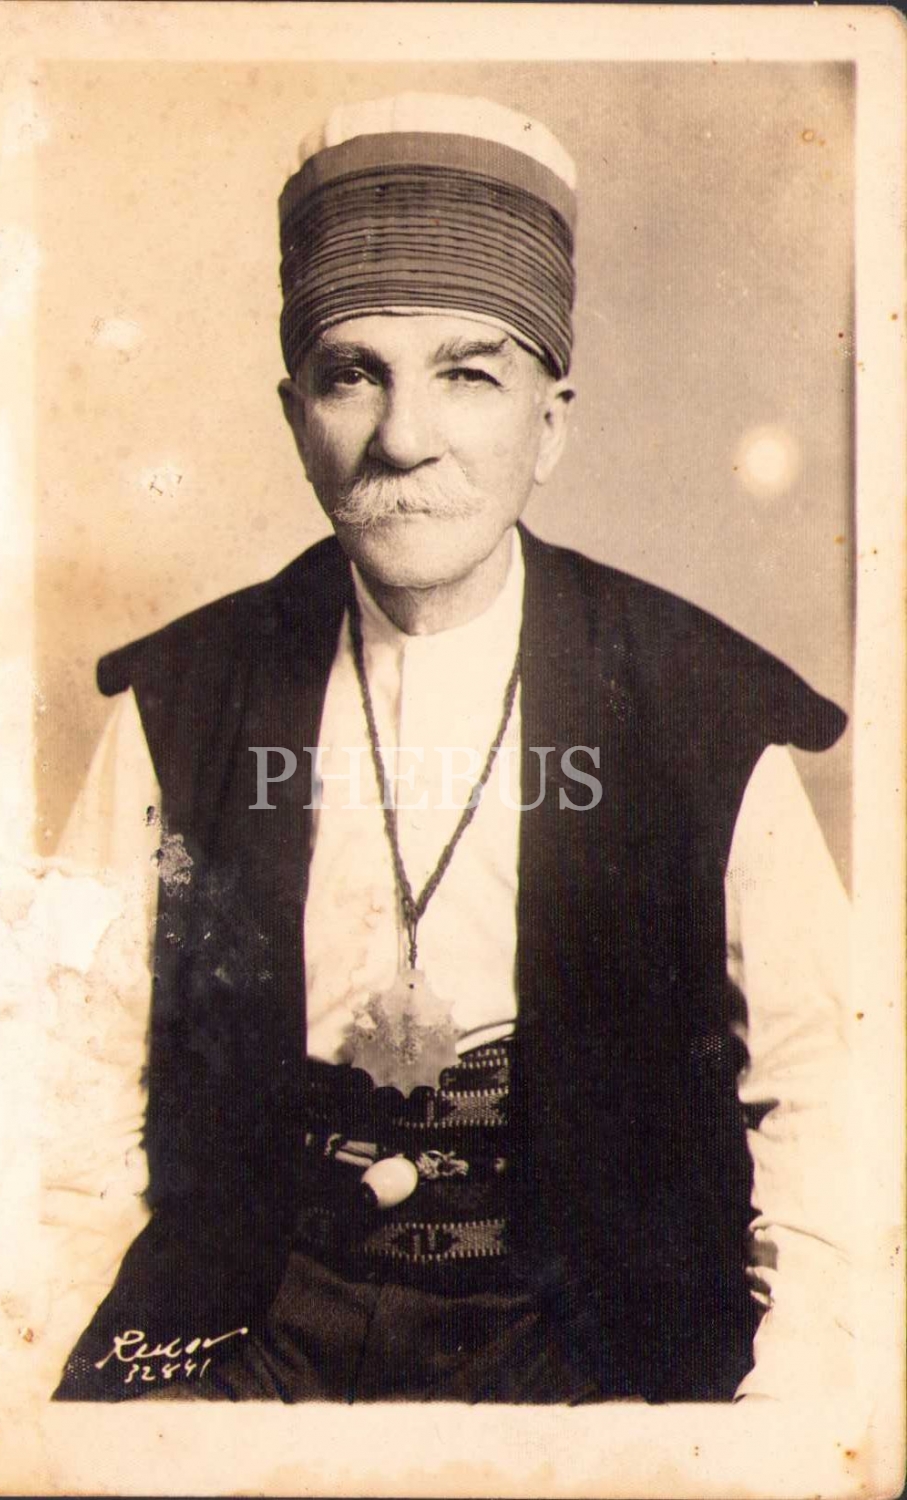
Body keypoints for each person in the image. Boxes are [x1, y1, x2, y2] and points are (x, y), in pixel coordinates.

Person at [52, 93, 850, 1405]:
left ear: (552, 423)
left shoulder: (700, 704)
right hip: (248, 1328)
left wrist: (789, 1415)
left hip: (586, 1341)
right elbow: (60, 1093)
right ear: (295, 416)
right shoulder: (182, 699)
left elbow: (826, 1097)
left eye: (467, 374)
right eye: (351, 373)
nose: (404, 436)